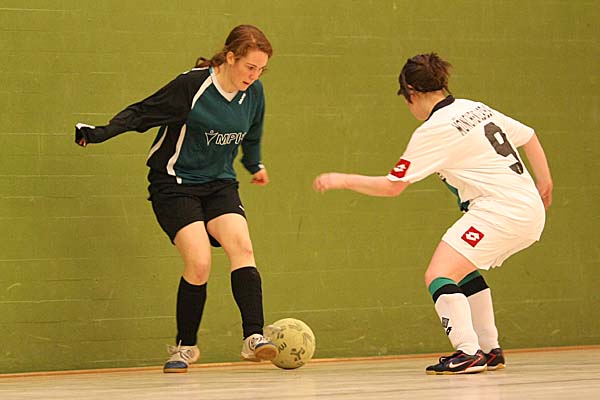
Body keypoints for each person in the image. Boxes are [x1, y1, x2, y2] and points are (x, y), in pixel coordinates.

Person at [313, 53, 553, 375]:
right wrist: (545, 182)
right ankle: (489, 349)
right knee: (463, 271)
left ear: (411, 92)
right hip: (528, 208)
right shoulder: (475, 107)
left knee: (438, 274)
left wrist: (341, 180)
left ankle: (468, 352)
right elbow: (529, 135)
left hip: (500, 211)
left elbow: (392, 187)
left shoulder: (434, 129)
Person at [74, 24, 278, 373]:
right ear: (230, 57)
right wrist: (100, 133)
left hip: (219, 184)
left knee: (242, 247)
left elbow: (254, 131)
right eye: (250, 67)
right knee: (199, 262)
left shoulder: (254, 92)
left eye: (261, 69)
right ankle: (185, 347)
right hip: (174, 184)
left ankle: (253, 337)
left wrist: (254, 163)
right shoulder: (192, 87)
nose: (255, 75)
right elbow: (142, 112)